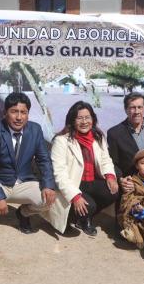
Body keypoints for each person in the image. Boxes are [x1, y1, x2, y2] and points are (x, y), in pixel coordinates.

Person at [0, 92, 56, 248]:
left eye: (23, 112)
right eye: (14, 112)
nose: (19, 117)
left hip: (24, 182)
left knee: (49, 199)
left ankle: (23, 213)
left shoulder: (35, 130)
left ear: (28, 114)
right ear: (5, 113)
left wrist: (48, 184)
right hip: (0, 182)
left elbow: (44, 160)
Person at [48, 101, 118, 236]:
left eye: (87, 117)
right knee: (88, 206)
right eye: (79, 118)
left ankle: (84, 218)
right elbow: (60, 174)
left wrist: (110, 176)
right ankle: (75, 217)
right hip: (73, 183)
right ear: (72, 120)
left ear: (93, 118)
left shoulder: (98, 136)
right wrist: (75, 196)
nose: (84, 121)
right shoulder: (61, 140)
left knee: (113, 191)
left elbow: (105, 159)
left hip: (91, 180)